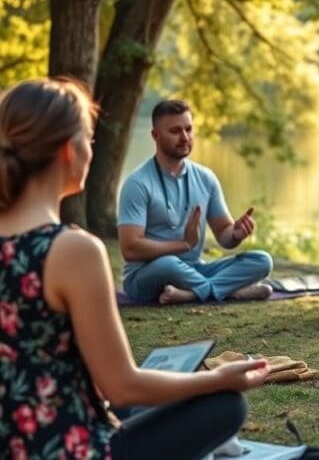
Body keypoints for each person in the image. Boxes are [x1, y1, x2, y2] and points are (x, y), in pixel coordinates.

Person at [0, 78, 270, 459]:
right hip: (67, 446)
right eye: (89, 139)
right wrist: (214, 379)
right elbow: (121, 387)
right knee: (226, 405)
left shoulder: (202, 179)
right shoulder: (73, 251)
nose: (91, 150)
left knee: (154, 398)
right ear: (67, 151)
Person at [118, 100, 273, 304]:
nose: (184, 137)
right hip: (147, 274)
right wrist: (183, 244)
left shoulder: (206, 178)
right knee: (168, 264)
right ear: (155, 135)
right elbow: (130, 249)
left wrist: (235, 233)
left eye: (188, 129)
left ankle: (194, 293)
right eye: (175, 131)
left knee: (262, 260)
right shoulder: (138, 184)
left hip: (193, 271)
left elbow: (224, 235)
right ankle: (228, 291)